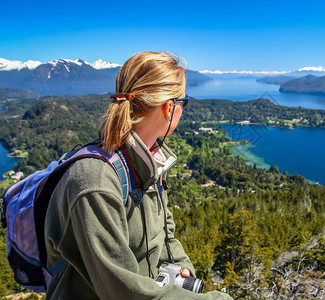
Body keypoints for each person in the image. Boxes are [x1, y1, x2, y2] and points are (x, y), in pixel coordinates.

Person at [44, 51, 232, 299]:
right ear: (169, 108)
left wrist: (183, 269)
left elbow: (166, 233)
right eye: (183, 102)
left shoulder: (150, 161)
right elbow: (123, 293)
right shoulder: (96, 182)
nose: (183, 109)